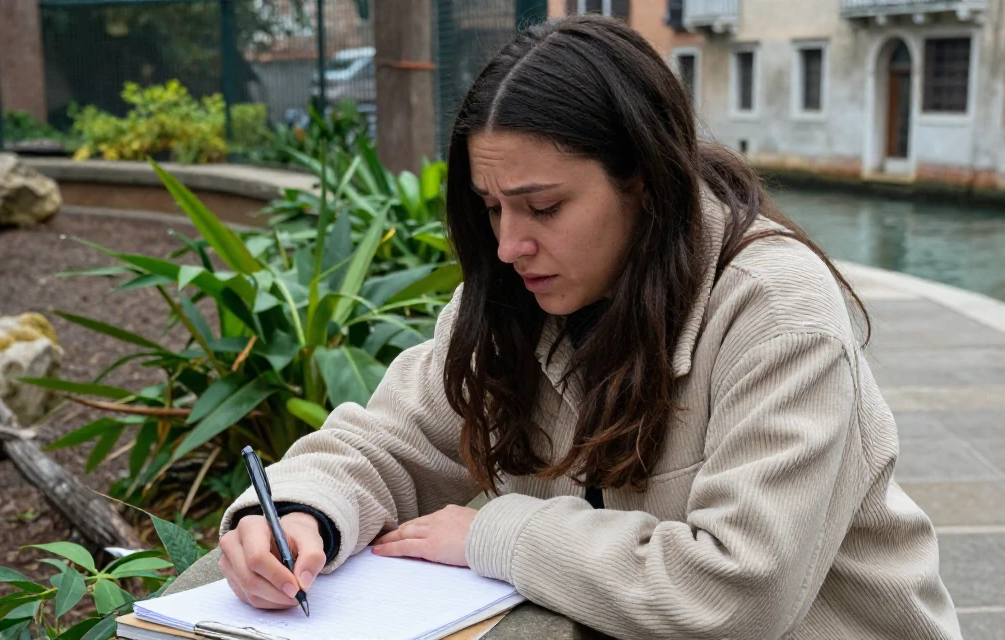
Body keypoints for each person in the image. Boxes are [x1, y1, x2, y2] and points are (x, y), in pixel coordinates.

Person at [217, 15, 961, 639]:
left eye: (543, 208)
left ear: (643, 181)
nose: (510, 245)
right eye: (491, 206)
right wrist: (293, 513)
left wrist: (493, 534)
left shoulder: (777, 315)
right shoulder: (515, 296)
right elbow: (388, 444)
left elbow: (736, 591)